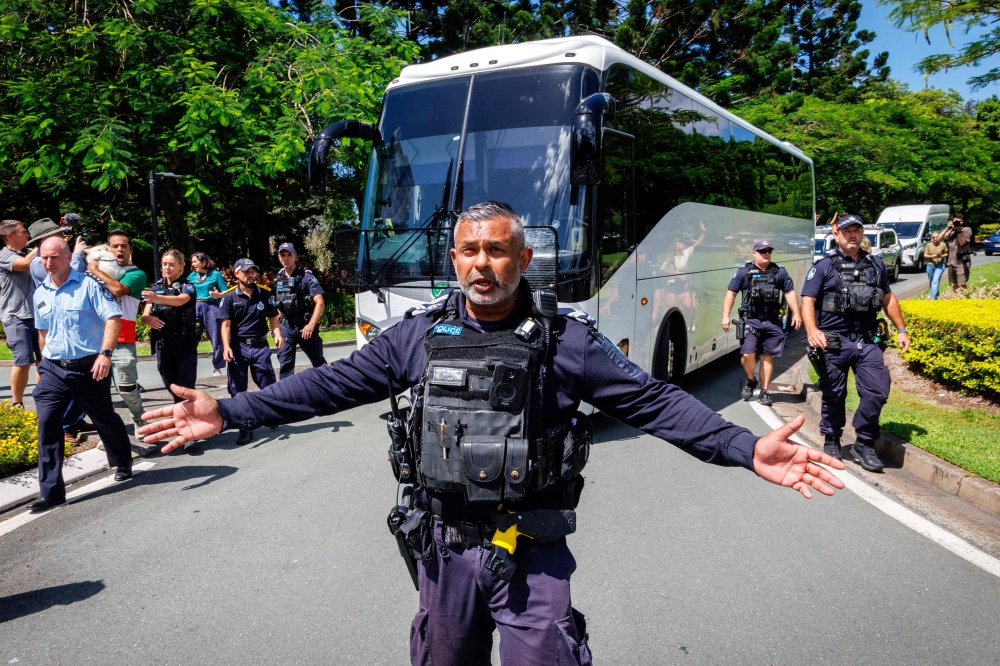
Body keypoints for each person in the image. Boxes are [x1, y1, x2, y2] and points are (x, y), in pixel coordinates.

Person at [140, 201, 846, 666]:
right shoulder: (415, 337)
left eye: (498, 250)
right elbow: (329, 385)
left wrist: (743, 446)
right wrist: (229, 412)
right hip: (443, 549)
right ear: (454, 259)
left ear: (523, 259)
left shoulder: (566, 342)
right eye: (470, 250)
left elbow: (653, 402)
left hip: (532, 552)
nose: (483, 263)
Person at [26, 237, 133, 512]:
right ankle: (51, 492)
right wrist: (42, 364)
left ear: (66, 256)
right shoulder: (41, 293)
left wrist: (105, 355)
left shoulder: (88, 285)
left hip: (89, 367)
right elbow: (43, 332)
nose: (48, 263)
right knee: (48, 423)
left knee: (104, 417)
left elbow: (112, 318)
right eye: (44, 258)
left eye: (54, 258)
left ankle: (122, 460)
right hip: (53, 369)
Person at [801, 213, 911, 472]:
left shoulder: (875, 264)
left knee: (877, 391)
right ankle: (832, 439)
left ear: (863, 234)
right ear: (837, 234)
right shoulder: (823, 266)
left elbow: (887, 298)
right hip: (833, 342)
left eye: (857, 230)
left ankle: (864, 442)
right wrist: (812, 329)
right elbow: (807, 299)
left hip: (867, 341)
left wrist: (901, 329)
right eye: (847, 230)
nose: (852, 235)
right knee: (834, 394)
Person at [26, 217, 90, 442]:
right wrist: (79, 255)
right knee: (67, 375)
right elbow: (67, 278)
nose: (62, 237)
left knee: (82, 376)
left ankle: (74, 418)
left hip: (72, 324)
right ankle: (66, 424)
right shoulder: (38, 262)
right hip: (55, 328)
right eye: (58, 234)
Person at [722, 240, 802, 407]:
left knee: (767, 357)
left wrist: (796, 312)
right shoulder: (744, 272)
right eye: (762, 251)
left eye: (768, 251)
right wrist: (726, 315)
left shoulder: (779, 272)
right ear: (754, 253)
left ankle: (764, 392)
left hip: (772, 321)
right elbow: (731, 293)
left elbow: (789, 292)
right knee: (747, 355)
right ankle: (751, 380)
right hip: (751, 320)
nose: (766, 253)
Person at [86, 230, 148, 441]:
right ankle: (109, 434)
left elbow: (118, 289)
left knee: (127, 387)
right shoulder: (93, 273)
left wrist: (94, 269)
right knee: (100, 394)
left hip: (122, 340)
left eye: (124, 246)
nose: (119, 250)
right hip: (95, 342)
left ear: (130, 249)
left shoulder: (136, 273)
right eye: (115, 246)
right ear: (108, 250)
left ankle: (139, 419)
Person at [218, 258, 283, 445]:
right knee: (238, 389)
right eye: (246, 272)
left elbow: (273, 317)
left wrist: (277, 334)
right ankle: (245, 427)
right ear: (237, 274)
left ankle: (270, 415)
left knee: (267, 382)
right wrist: (226, 346)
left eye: (252, 271)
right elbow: (225, 325)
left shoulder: (264, 293)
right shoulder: (229, 297)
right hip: (238, 347)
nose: (250, 275)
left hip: (260, 346)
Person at [141, 250, 199, 402]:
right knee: (170, 382)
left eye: (172, 265)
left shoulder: (187, 286)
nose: (167, 268)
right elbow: (144, 316)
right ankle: (181, 410)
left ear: (181, 266)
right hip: (164, 343)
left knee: (185, 385)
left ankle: (188, 415)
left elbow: (181, 300)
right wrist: (149, 320)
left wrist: (157, 298)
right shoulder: (155, 288)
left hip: (185, 343)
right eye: (164, 264)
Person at [0, 219, 40, 407]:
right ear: (10, 235)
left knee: (46, 362)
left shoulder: (30, 253)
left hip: (39, 316)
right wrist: (41, 245)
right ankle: (17, 403)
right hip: (16, 317)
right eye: (23, 231)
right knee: (23, 361)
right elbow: (23, 264)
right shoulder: (3, 255)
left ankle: (45, 400)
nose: (27, 235)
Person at [274, 243, 327, 380]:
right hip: (286, 326)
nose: (286, 258)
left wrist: (311, 325)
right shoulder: (278, 278)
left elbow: (320, 302)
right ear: (279, 257)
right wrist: (276, 330)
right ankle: (286, 396)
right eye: (283, 255)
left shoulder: (306, 276)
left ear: (295, 256)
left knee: (318, 362)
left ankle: (329, 388)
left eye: (289, 255)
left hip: (305, 326)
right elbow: (279, 307)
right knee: (285, 364)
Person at [188, 252, 228, 376]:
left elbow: (226, 293)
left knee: (216, 339)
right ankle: (188, 365)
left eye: (195, 261)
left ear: (204, 262)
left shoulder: (215, 274)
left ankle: (218, 367)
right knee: (191, 338)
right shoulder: (191, 276)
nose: (193, 264)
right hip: (195, 308)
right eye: (192, 262)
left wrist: (218, 295)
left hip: (212, 307)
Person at [941, 213, 973, 296]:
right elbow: (939, 239)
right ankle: (957, 301)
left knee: (962, 285)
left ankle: (964, 302)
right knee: (954, 285)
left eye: (960, 221)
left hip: (962, 263)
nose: (958, 223)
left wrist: (958, 230)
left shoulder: (966, 230)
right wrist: (947, 227)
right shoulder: (950, 231)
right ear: (952, 221)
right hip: (951, 262)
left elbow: (962, 243)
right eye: (956, 221)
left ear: (963, 222)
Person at [923, 232, 948, 299]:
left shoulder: (943, 245)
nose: (935, 239)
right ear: (932, 238)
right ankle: (936, 296)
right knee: (932, 281)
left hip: (940, 265)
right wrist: (931, 256)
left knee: (935, 280)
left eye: (937, 237)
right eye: (934, 237)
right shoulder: (929, 245)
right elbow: (925, 254)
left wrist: (941, 256)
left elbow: (946, 253)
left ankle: (932, 297)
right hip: (930, 265)